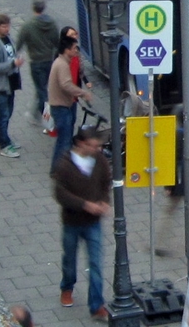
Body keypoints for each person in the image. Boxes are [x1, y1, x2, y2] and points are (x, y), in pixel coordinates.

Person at [52, 127, 111, 322]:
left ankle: (97, 305)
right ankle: (67, 286)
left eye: (98, 146)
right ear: (81, 144)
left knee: (96, 263)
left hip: (93, 223)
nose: (96, 149)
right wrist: (85, 205)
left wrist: (104, 201)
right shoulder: (64, 165)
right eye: (92, 146)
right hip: (72, 222)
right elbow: (60, 194)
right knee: (70, 259)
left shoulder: (99, 160)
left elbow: (105, 182)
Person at [48, 36, 93, 174]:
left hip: (60, 106)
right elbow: (66, 84)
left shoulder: (61, 62)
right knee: (64, 142)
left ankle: (57, 170)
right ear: (67, 50)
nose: (76, 51)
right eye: (74, 48)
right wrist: (82, 93)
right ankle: (59, 171)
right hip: (61, 107)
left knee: (63, 140)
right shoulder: (62, 64)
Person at [0, 14, 24, 158]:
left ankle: (4, 138)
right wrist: (13, 64)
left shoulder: (8, 38)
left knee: (7, 113)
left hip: (10, 83)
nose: (7, 29)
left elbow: (12, 53)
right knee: (3, 115)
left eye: (8, 25)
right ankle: (3, 145)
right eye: (4, 26)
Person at [16, 0, 60, 116]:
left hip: (36, 62)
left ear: (33, 8)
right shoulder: (52, 24)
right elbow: (57, 42)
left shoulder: (28, 25)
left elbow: (19, 43)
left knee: (41, 90)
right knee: (42, 87)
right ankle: (36, 111)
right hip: (49, 60)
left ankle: (46, 117)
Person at [59, 26, 91, 137]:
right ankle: (65, 143)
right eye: (72, 35)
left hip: (74, 92)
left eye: (75, 34)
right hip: (63, 94)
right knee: (66, 121)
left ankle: (67, 141)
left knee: (72, 119)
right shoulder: (60, 56)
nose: (75, 36)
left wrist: (86, 81)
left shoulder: (76, 52)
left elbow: (80, 70)